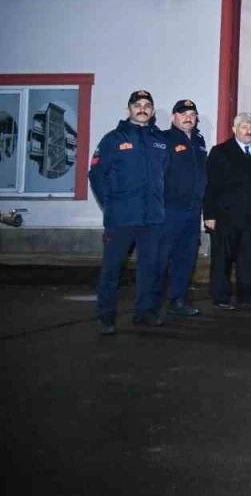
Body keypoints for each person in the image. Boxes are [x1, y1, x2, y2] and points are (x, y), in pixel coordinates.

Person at [88, 89, 171, 334]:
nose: (142, 109)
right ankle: (106, 316)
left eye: (147, 105)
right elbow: (97, 174)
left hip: (152, 219)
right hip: (121, 218)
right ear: (129, 109)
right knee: (112, 269)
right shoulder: (113, 139)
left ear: (152, 111)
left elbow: (166, 176)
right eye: (137, 105)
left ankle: (144, 312)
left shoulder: (160, 140)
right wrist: (110, 204)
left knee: (150, 268)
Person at [203, 112, 251, 310]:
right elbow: (210, 186)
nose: (248, 130)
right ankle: (221, 297)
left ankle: (246, 296)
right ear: (234, 129)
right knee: (222, 259)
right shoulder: (220, 152)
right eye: (244, 127)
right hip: (225, 217)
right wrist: (209, 215)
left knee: (249, 258)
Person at [154, 99, 207, 317]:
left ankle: (178, 300)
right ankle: (152, 304)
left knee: (186, 259)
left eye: (192, 115)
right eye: (183, 114)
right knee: (160, 259)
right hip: (170, 211)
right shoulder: (164, 139)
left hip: (193, 211)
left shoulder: (199, 140)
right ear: (173, 117)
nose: (188, 118)